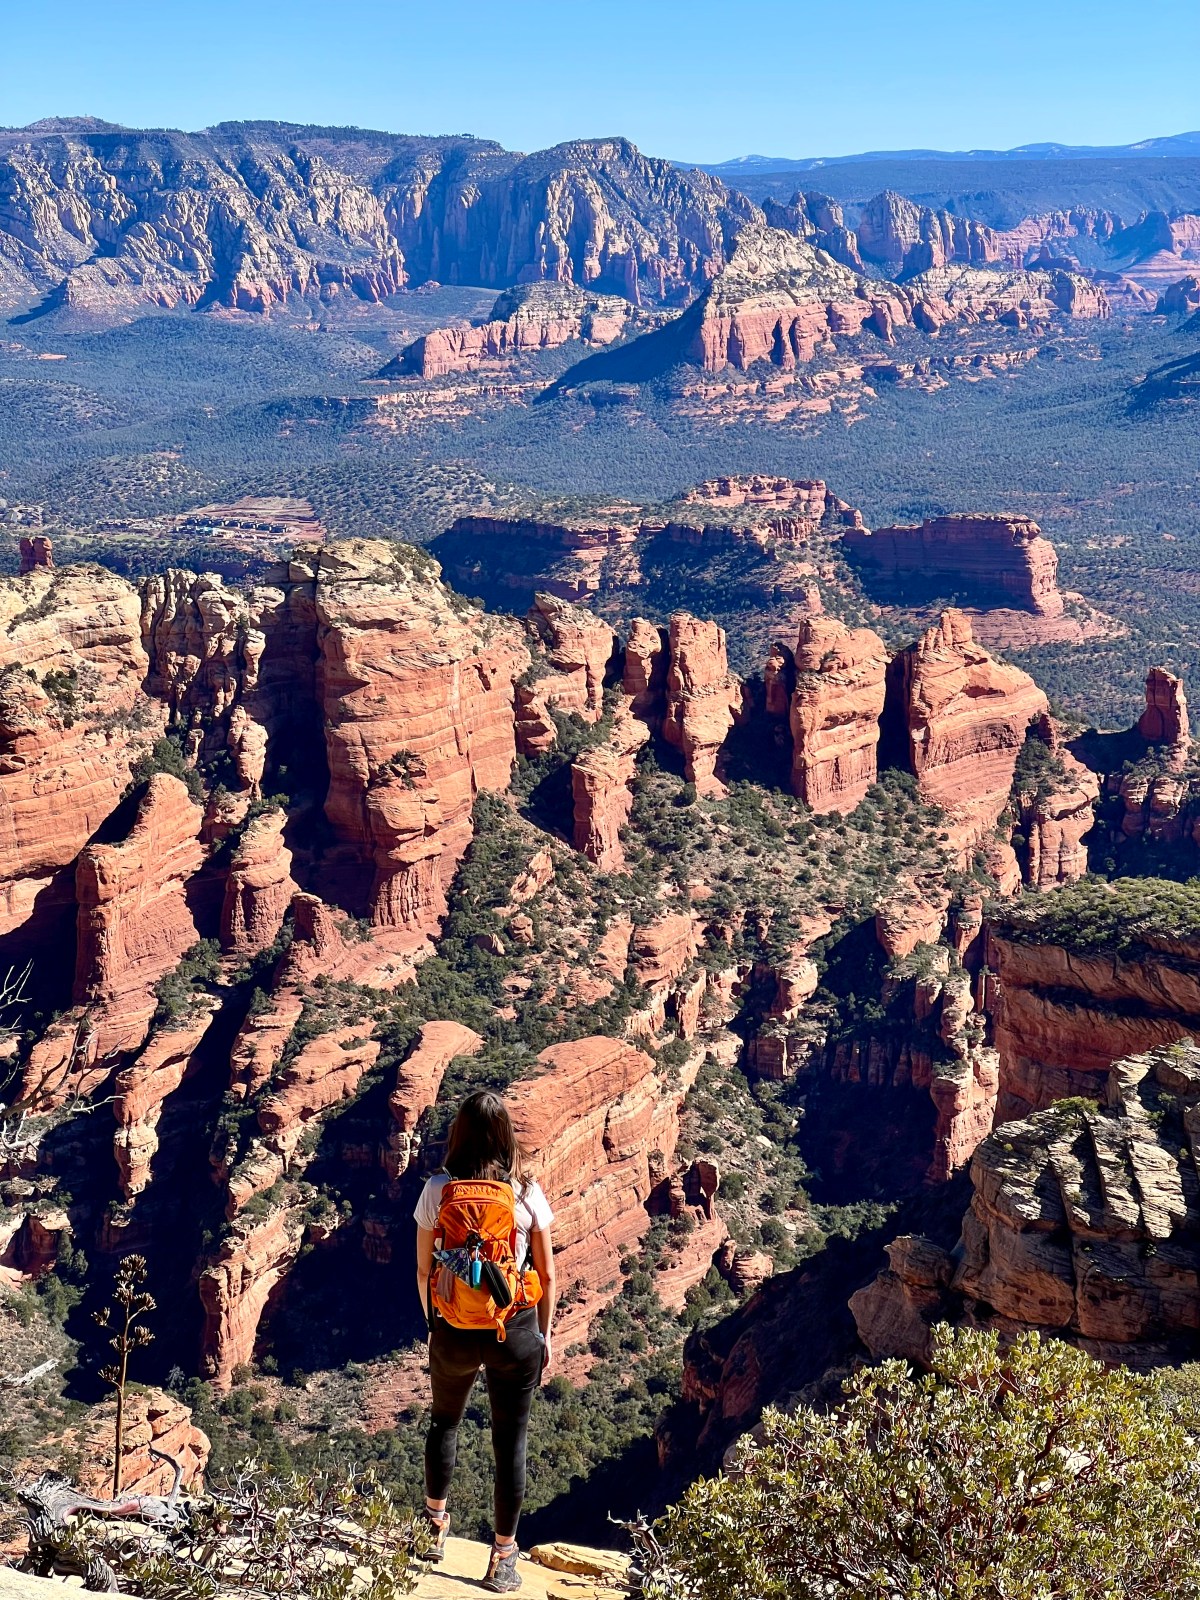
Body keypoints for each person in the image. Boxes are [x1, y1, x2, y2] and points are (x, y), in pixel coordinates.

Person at [414, 1089, 557, 1594]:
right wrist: (544, 1333)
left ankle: (432, 1529)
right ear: (506, 1136)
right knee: (510, 1443)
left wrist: (435, 1320)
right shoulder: (525, 1191)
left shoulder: (438, 1188)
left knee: (444, 1422)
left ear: (459, 1133)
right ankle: (501, 1559)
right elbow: (545, 1270)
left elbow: (424, 1267)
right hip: (513, 1327)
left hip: (453, 1327)